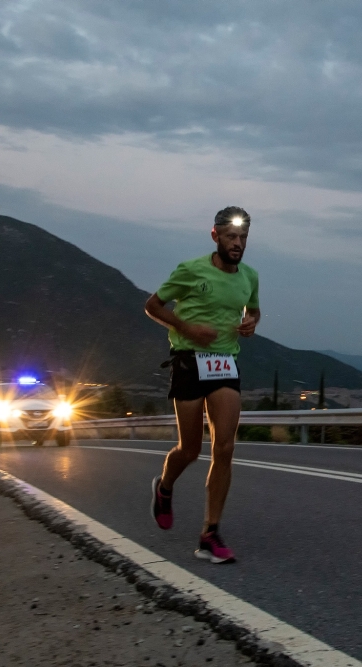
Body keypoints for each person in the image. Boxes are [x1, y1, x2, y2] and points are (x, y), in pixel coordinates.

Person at [144, 206, 260, 564]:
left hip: (225, 363)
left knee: (224, 447)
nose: (237, 243)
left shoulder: (250, 276)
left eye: (242, 237)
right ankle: (164, 488)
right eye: (230, 236)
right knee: (190, 449)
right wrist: (186, 328)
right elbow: (153, 306)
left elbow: (252, 309)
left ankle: (210, 533)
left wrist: (250, 323)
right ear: (215, 236)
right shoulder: (190, 270)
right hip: (189, 361)